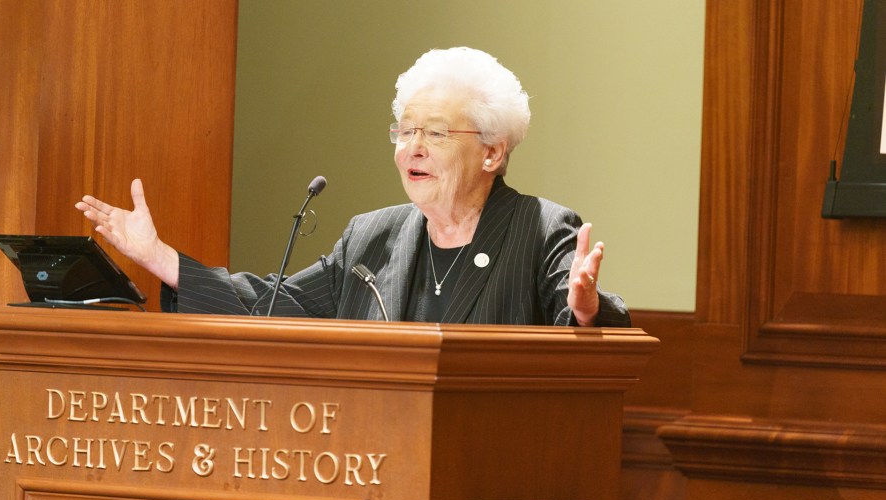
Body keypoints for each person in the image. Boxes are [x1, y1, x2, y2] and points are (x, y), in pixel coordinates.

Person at [76, 47, 630, 327]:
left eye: (435, 133)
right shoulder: (373, 236)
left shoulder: (541, 230)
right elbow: (274, 308)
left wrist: (584, 311)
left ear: (493, 151)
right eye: (405, 130)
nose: (413, 146)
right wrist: (158, 256)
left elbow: (594, 332)